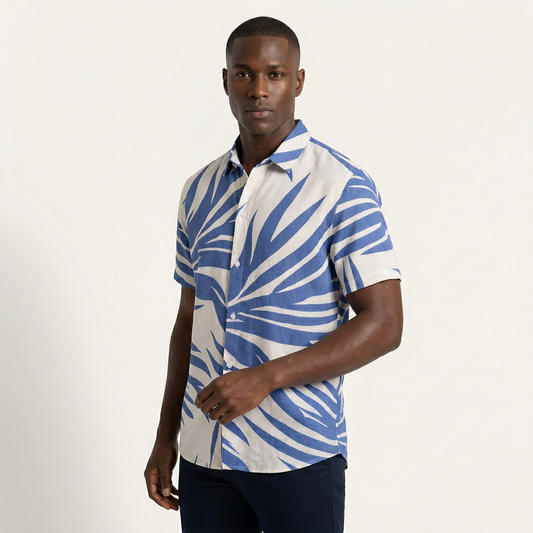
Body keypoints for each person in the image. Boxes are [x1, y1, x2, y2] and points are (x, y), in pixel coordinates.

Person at [144, 16, 403, 533]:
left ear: (298, 82)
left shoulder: (341, 186)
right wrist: (166, 434)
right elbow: (189, 320)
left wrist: (265, 377)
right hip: (205, 452)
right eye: (243, 74)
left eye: (275, 74)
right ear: (225, 81)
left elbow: (385, 324)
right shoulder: (198, 191)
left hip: (297, 452)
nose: (258, 89)